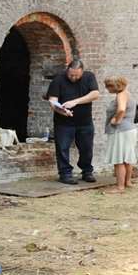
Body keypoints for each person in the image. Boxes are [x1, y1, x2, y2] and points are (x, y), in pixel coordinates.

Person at [45, 57, 100, 185]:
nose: (73, 78)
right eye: (71, 75)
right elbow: (53, 102)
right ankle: (65, 174)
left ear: (82, 72)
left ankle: (87, 171)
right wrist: (62, 111)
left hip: (85, 121)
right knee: (63, 148)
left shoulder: (89, 77)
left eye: (76, 75)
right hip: (64, 123)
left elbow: (95, 94)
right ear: (67, 70)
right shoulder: (58, 80)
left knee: (87, 148)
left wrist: (75, 101)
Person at [103, 76, 138, 191]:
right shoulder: (127, 93)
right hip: (129, 129)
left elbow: (122, 109)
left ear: (116, 86)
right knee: (127, 158)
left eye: (109, 86)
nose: (107, 89)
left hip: (121, 130)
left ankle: (120, 187)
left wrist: (116, 120)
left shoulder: (121, 95)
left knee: (119, 160)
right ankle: (127, 182)